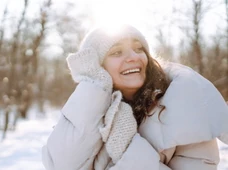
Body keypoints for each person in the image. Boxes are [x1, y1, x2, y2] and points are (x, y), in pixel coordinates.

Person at [42, 24, 228, 170]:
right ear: (97, 67)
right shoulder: (88, 108)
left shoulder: (184, 106)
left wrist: (127, 147)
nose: (134, 56)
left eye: (139, 49)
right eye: (116, 52)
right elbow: (63, 165)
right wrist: (94, 88)